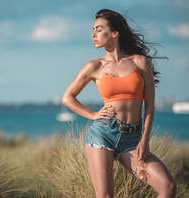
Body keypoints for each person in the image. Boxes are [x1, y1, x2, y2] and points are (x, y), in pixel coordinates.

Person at [62, 9, 177, 198]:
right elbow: (68, 97)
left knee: (168, 187)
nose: (93, 34)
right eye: (93, 30)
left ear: (115, 33)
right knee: (106, 196)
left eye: (99, 29)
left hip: (132, 139)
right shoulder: (94, 66)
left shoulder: (140, 62)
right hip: (102, 134)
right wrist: (93, 115)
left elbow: (150, 104)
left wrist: (145, 139)